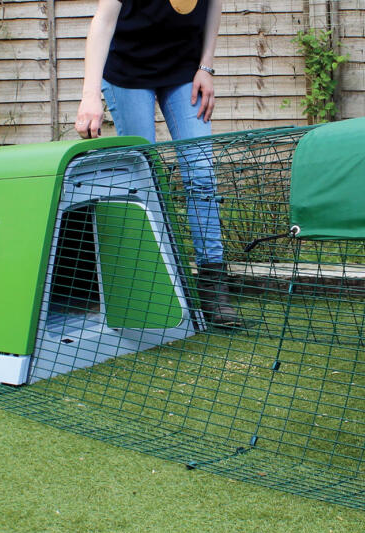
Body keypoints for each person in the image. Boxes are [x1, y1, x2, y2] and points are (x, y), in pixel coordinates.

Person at [75, 0, 241, 327]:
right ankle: (149, 284)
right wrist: (89, 94)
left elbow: (213, 4)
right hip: (127, 72)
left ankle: (213, 285)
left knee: (202, 174)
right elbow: (103, 20)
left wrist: (206, 68)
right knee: (143, 177)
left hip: (184, 69)